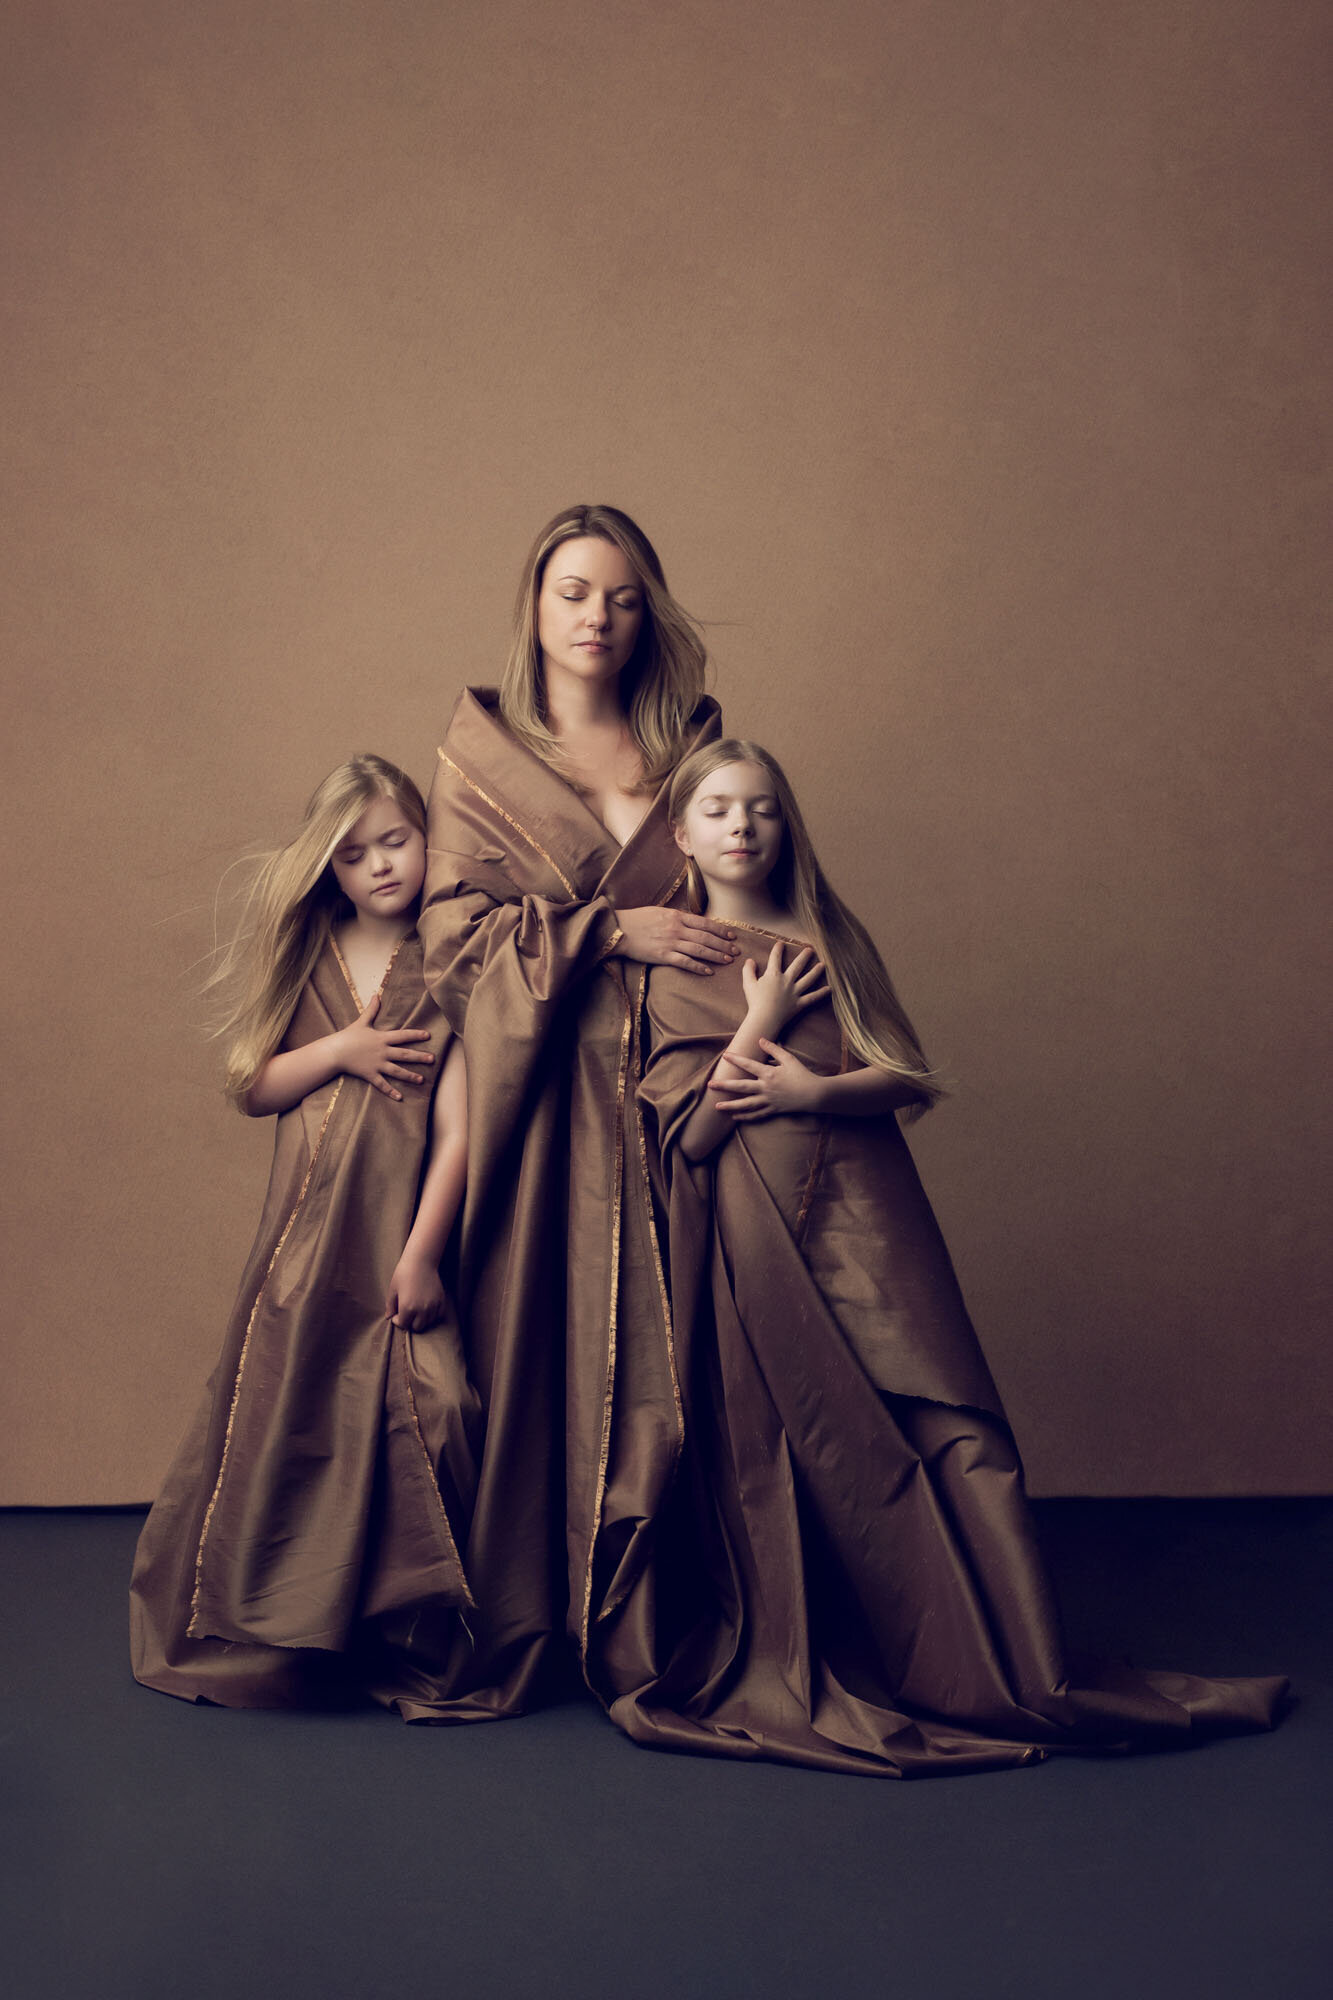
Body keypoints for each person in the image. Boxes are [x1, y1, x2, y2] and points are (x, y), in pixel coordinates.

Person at [627, 739, 1288, 1775]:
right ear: (682, 832)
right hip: (757, 1241)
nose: (741, 826)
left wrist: (811, 1092)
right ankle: (853, 1645)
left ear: (784, 822)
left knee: (949, 1422)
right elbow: (692, 1138)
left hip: (867, 1211)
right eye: (717, 810)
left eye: (760, 807)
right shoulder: (677, 969)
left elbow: (905, 1076)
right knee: (802, 1447)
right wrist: (758, 1023)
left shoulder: (828, 937)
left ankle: (1002, 1659)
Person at [419, 503, 730, 1712]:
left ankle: (658, 1614)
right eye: (572, 591)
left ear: (648, 615)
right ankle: (531, 1612)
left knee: (671, 1364)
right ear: (533, 608)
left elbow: (754, 891)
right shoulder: (485, 763)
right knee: (533, 1347)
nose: (595, 616)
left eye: (621, 596)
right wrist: (609, 928)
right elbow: (450, 943)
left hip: (667, 1097)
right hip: (531, 1111)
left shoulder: (694, 755)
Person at [131, 755, 479, 1717]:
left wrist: (419, 1253)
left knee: (429, 1411)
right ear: (329, 867)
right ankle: (282, 1628)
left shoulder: (452, 957)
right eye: (354, 853)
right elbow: (252, 1088)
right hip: (301, 1246)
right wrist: (342, 1050)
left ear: (427, 836)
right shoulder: (316, 953)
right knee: (291, 1417)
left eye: (395, 841)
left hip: (396, 1240)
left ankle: (396, 1631)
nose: (378, 867)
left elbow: (460, 1129)